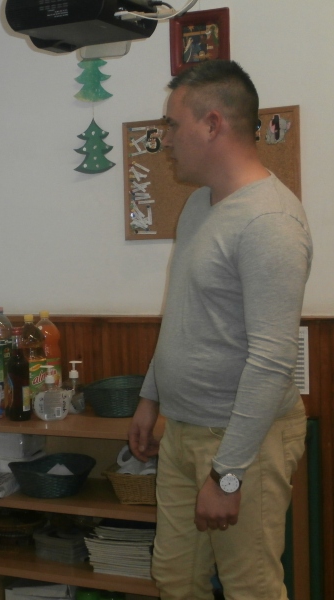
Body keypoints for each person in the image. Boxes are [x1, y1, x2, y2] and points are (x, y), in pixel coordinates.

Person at [128, 60, 312, 600]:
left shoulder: (270, 222)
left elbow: (272, 360)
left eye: (172, 124)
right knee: (175, 581)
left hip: (242, 442)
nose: (165, 139)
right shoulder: (198, 204)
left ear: (212, 124)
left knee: (250, 588)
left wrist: (227, 475)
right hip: (183, 430)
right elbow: (183, 314)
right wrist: (150, 398)